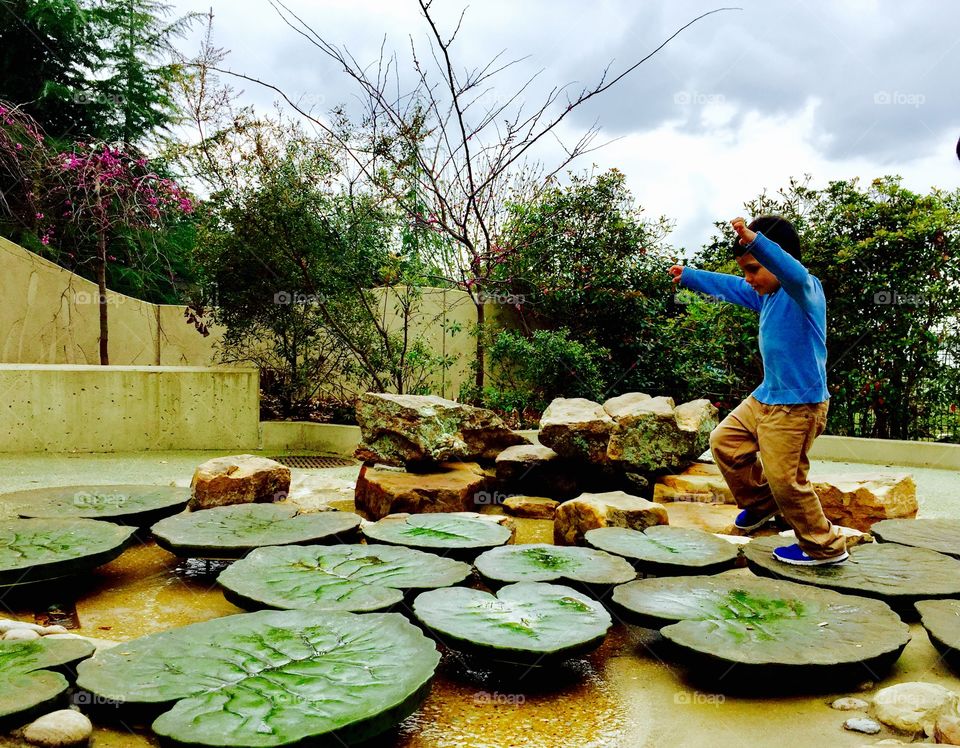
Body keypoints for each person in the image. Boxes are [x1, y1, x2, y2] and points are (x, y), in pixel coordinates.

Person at [668, 215, 847, 566]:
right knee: (725, 443)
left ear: (778, 258)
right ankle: (762, 503)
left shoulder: (805, 290)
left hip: (798, 406)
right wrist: (690, 276)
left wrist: (757, 242)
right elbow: (732, 288)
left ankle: (824, 547)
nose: (748, 280)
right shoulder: (765, 296)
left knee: (787, 479)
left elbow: (790, 270)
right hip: (766, 396)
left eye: (753, 269)